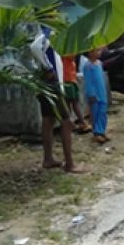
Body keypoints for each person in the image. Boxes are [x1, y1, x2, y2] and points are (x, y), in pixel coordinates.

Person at [29, 27, 83, 173]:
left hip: (42, 82)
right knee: (67, 121)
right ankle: (70, 164)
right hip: (52, 83)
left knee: (48, 120)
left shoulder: (38, 30)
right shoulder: (48, 32)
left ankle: (48, 159)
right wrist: (48, 68)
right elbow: (35, 48)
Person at [83, 48, 109, 144]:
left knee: (103, 112)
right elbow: (88, 82)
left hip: (102, 92)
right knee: (95, 113)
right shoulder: (88, 66)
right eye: (97, 51)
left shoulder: (99, 63)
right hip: (94, 94)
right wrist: (91, 94)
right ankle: (97, 133)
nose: (100, 52)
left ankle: (101, 131)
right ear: (90, 53)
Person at [61, 55, 91, 133]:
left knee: (69, 103)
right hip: (68, 79)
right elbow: (72, 57)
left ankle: (71, 123)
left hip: (70, 79)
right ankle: (82, 122)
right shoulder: (67, 52)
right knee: (74, 102)